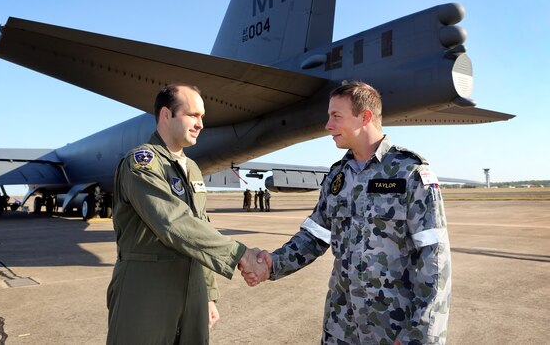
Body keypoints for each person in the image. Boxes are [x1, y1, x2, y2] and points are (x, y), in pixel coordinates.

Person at [246, 82, 452, 344]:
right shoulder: (337, 176)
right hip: (341, 324)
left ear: (365, 117)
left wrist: (421, 333)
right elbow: (314, 236)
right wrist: (274, 263)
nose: (328, 126)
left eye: (336, 116)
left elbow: (435, 257)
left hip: (393, 328)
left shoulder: (410, 173)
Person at [106, 84, 269, 344]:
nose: (200, 124)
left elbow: (198, 227)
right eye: (192, 115)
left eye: (202, 116)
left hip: (192, 289)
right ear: (166, 115)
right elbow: (172, 222)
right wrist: (240, 255)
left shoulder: (192, 167)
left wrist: (207, 294)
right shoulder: (141, 163)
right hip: (147, 288)